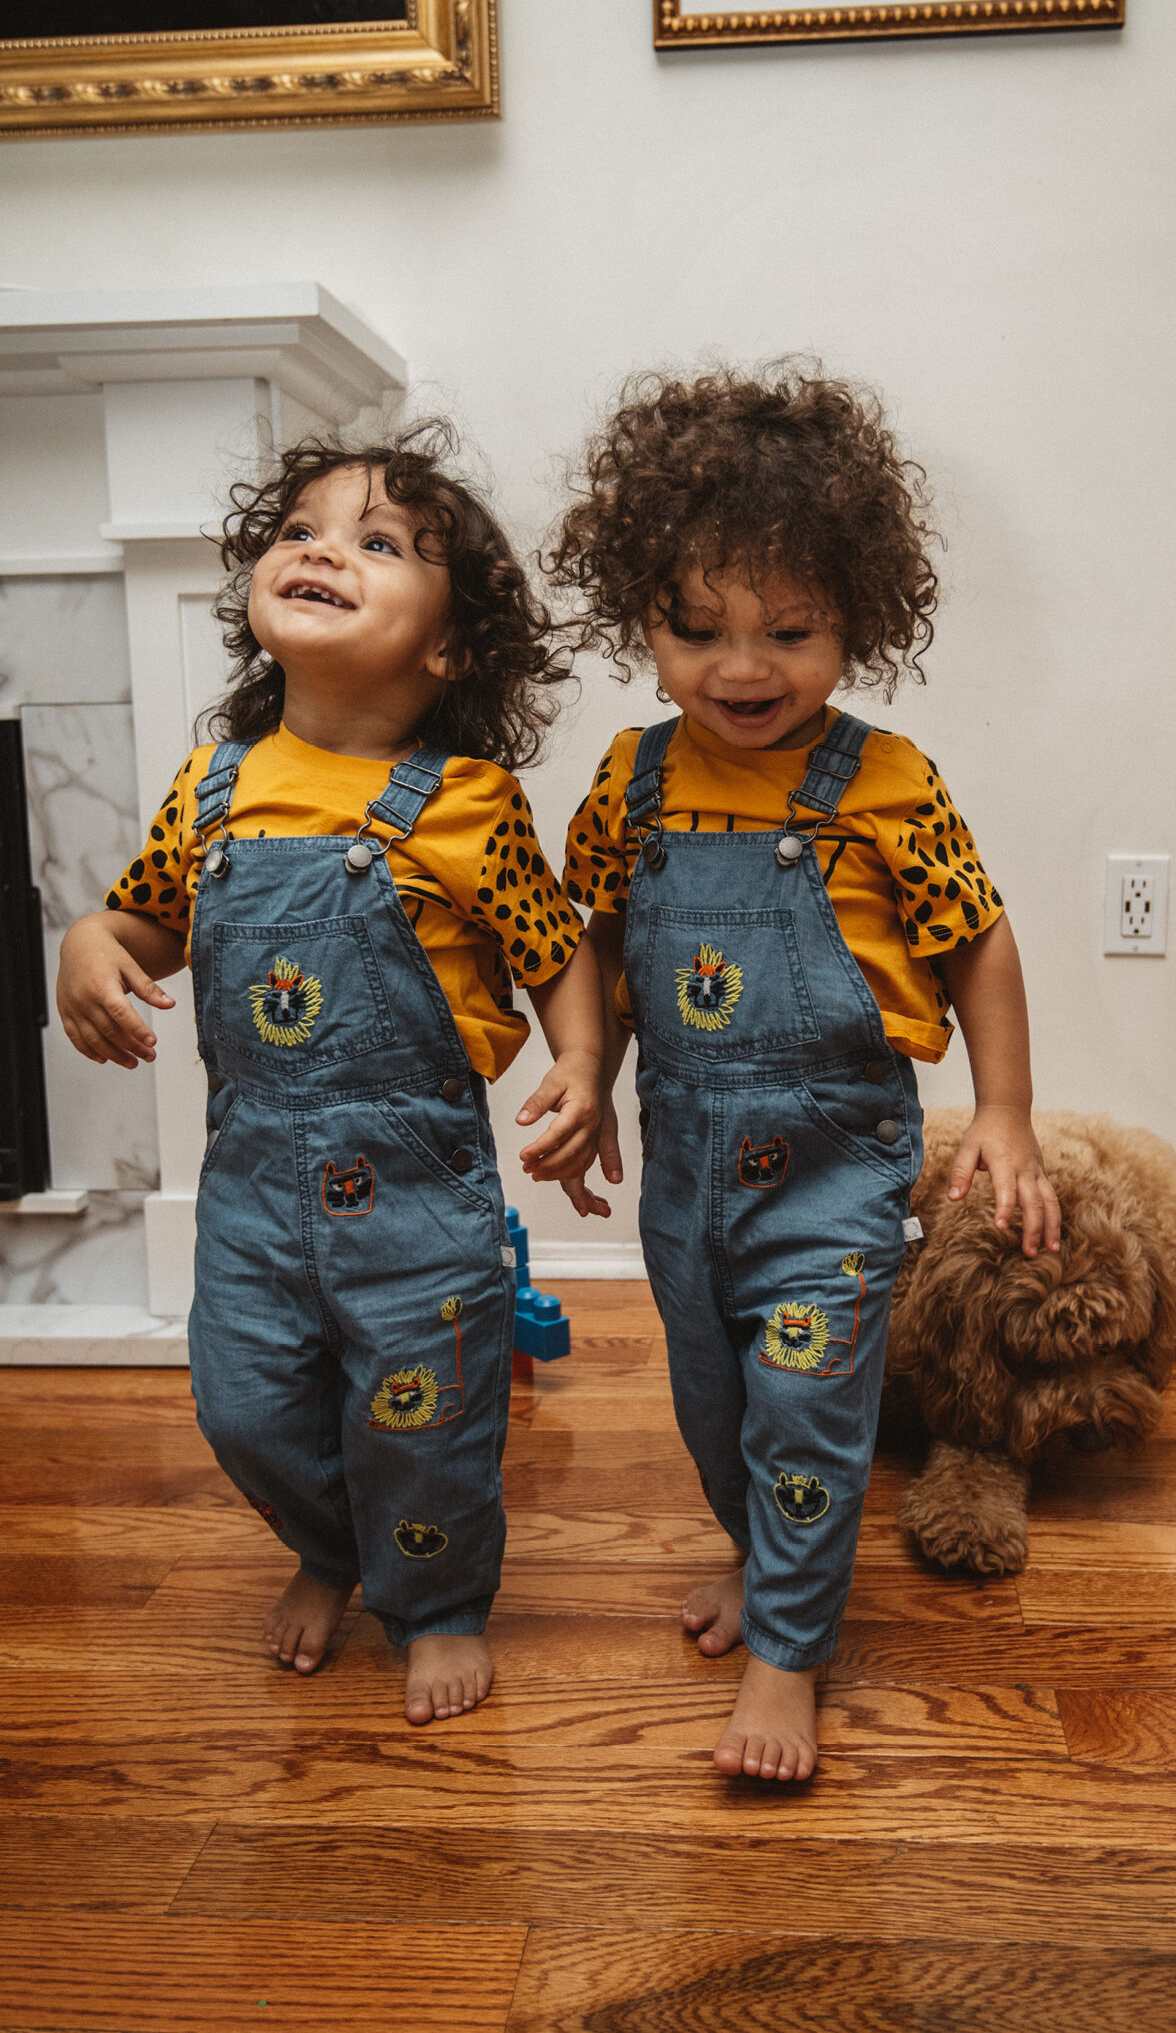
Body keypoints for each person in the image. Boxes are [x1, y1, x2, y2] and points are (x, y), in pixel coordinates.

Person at [550, 366, 1060, 1781]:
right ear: (639, 617)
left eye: (791, 628)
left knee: (808, 1398)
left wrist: (1005, 1110)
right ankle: (761, 1552)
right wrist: (587, 1069)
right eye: (695, 627)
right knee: (713, 1398)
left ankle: (791, 1652)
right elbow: (593, 935)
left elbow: (979, 940)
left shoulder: (886, 780)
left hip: (834, 1164)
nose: (743, 666)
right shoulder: (628, 781)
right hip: (689, 1161)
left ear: (859, 616)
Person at [57, 422, 604, 1725]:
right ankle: (330, 1544)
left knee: (425, 1416)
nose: (322, 549)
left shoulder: (466, 803)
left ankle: (438, 1596)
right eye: (302, 530)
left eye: (379, 542)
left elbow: (553, 947)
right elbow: (143, 920)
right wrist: (88, 941)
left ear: (448, 643)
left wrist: (583, 1057)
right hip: (250, 1189)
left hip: (415, 1204)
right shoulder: (210, 789)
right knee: (243, 1404)